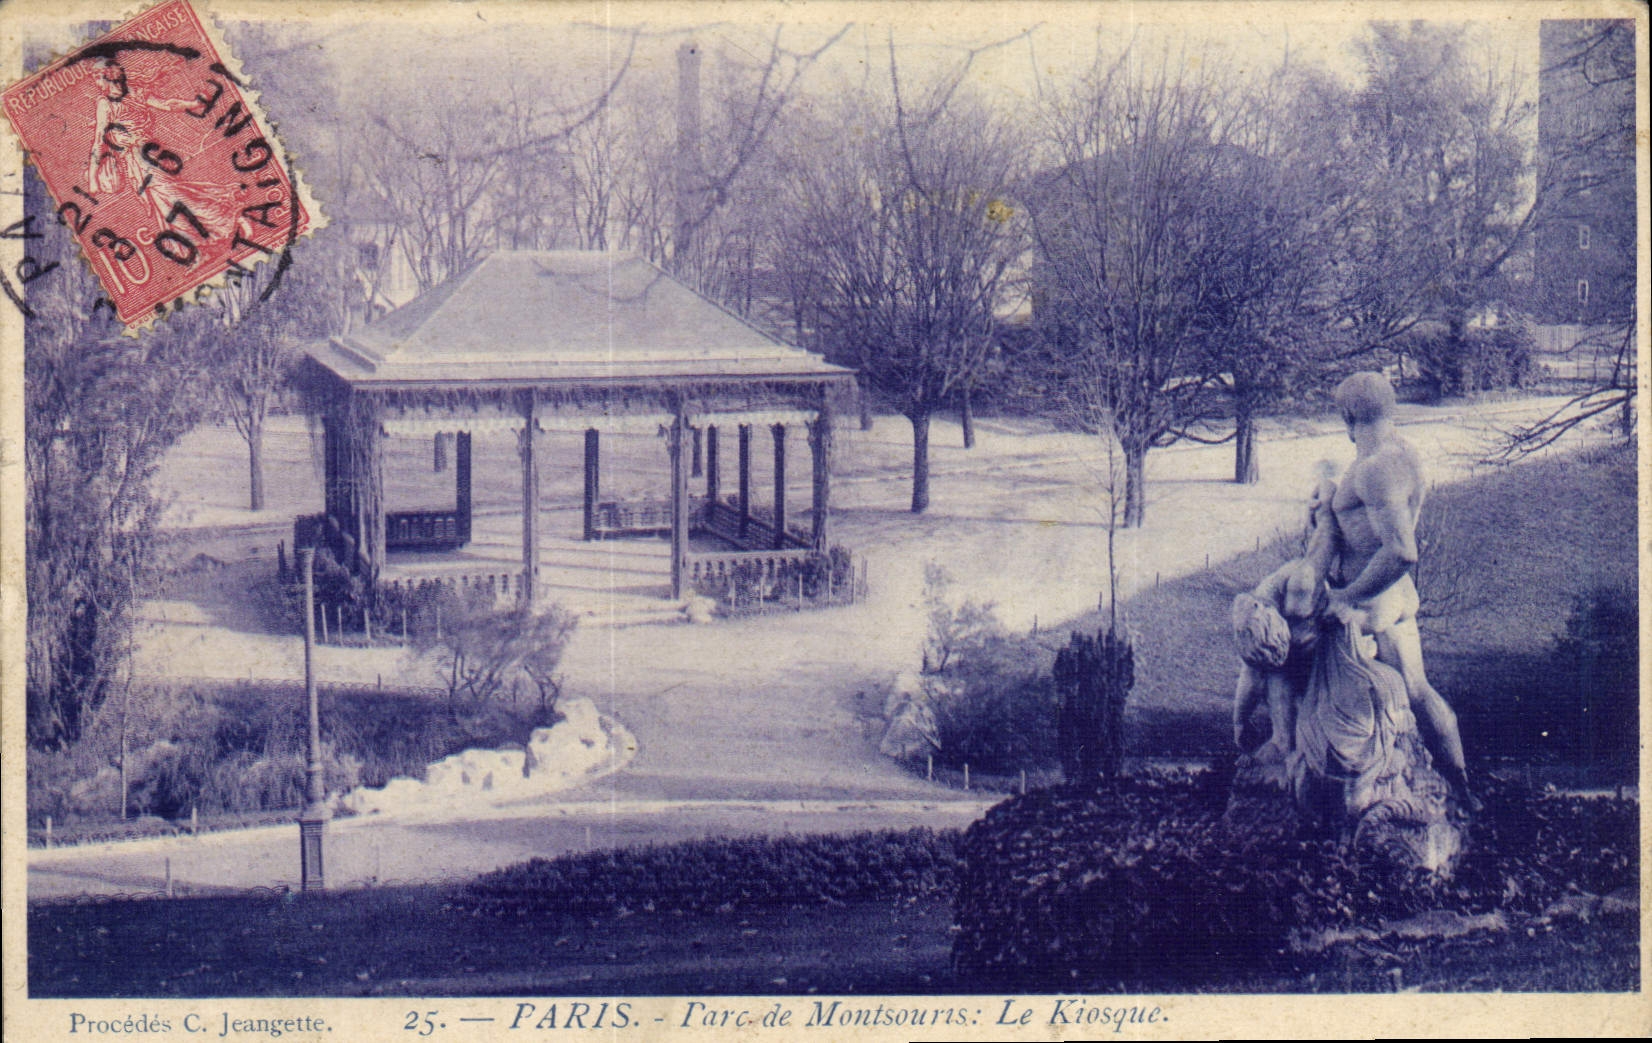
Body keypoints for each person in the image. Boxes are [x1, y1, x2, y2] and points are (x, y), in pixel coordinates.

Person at [1322, 372, 1474, 804]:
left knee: (1293, 650)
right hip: (1395, 595)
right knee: (1418, 690)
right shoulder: (1402, 453)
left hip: (1368, 601)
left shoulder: (1373, 469)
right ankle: (1462, 789)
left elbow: (1402, 550)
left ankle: (1329, 787)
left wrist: (1345, 597)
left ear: (1349, 416)